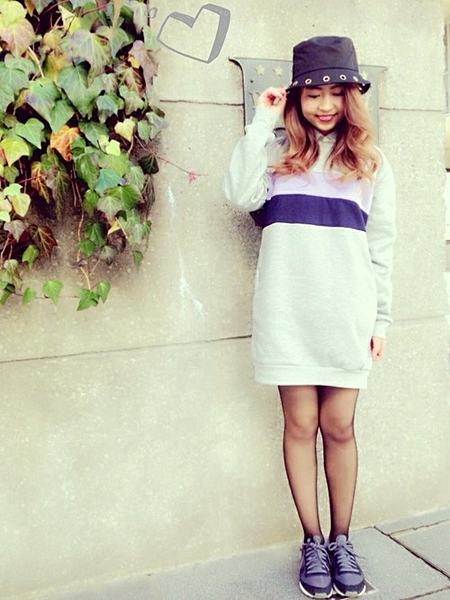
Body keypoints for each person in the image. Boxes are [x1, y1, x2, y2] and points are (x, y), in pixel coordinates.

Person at [223, 36, 396, 599]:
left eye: (336, 92)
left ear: (351, 98)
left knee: (339, 426)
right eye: (314, 93)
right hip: (287, 311)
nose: (325, 104)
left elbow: (380, 249)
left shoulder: (371, 162)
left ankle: (343, 540)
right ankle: (313, 542)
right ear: (297, 98)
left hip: (346, 313)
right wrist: (262, 122)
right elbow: (237, 194)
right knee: (299, 426)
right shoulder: (275, 155)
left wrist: (380, 320)